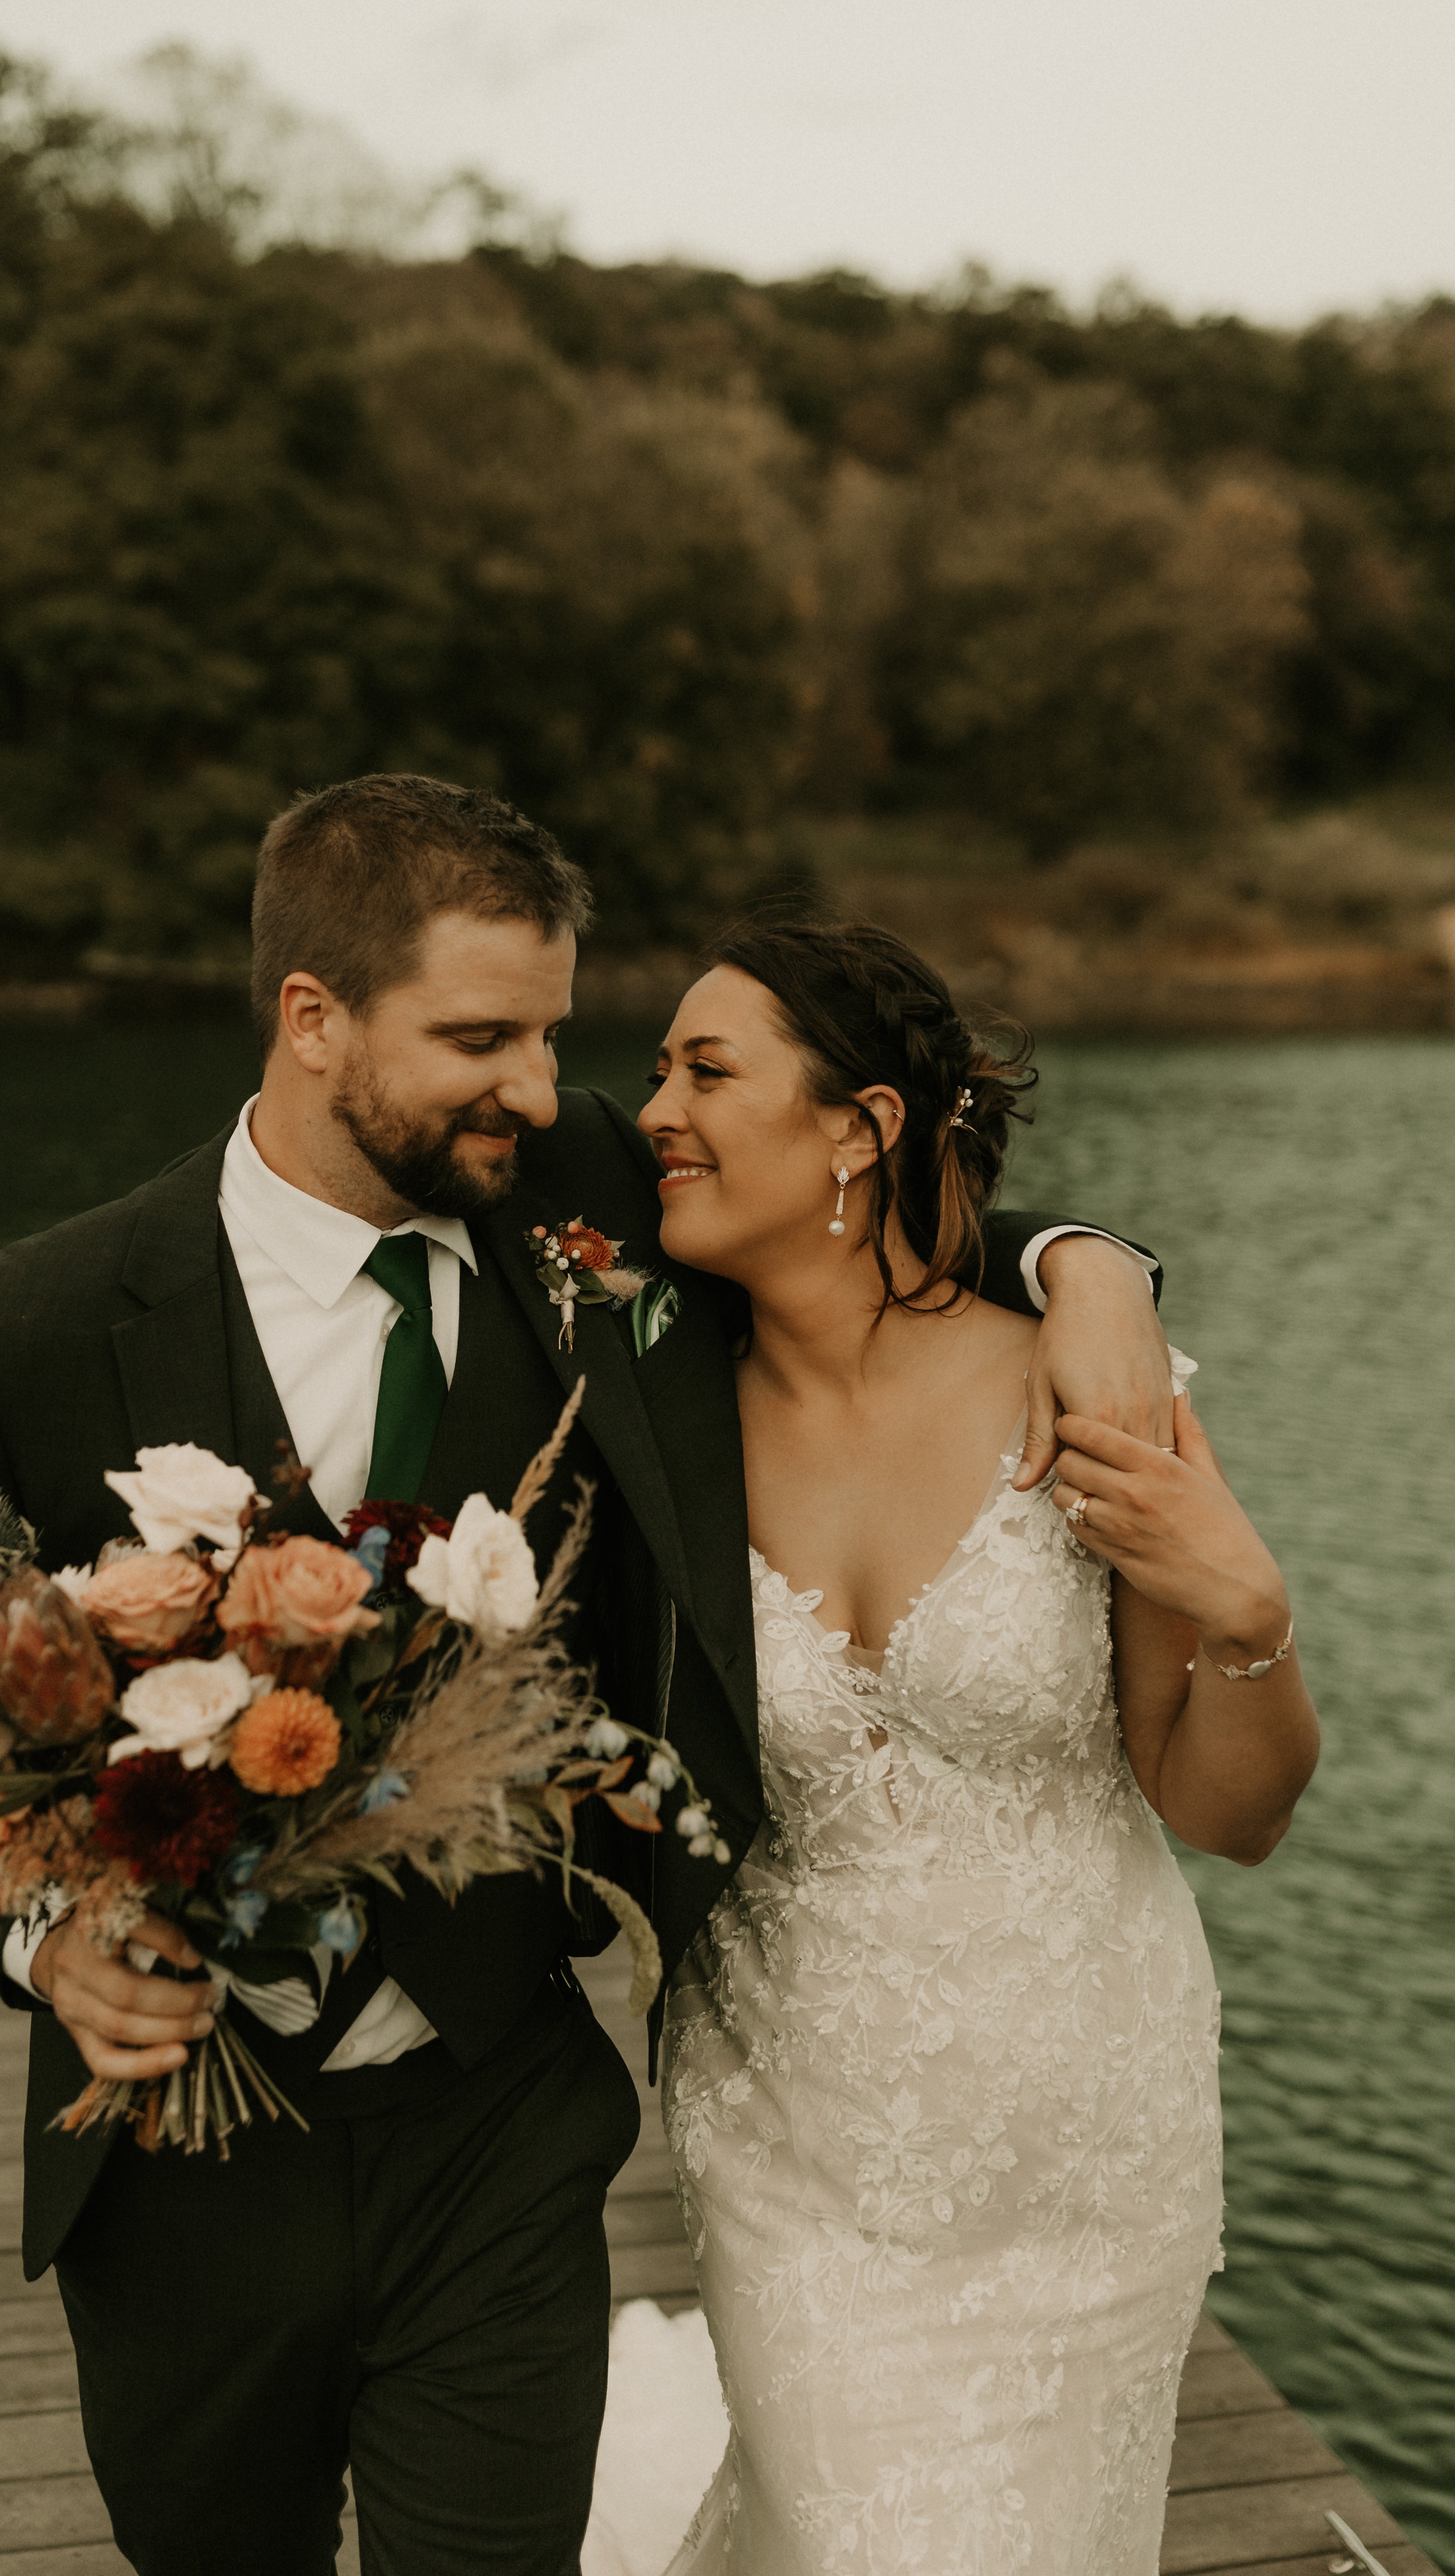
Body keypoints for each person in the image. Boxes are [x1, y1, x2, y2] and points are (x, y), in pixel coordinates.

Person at [0, 777, 1174, 2576]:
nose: (546, 1090)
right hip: (178, 2161)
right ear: (313, 1019)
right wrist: (46, 1940)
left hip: (495, 2116)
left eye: (557, 1031)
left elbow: (865, 1208)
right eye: (480, 1037)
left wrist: (1088, 1263)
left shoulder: (590, 1213)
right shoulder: (37, 1316)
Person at [596, 920, 1320, 2576]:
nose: (654, 1108)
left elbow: (1228, 1808)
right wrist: (1092, 1244)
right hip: (792, 2133)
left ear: (860, 1128)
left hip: (1084, 2139)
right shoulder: (647, 1411)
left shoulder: (1079, 1396)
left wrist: (1248, 1612)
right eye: (655, 1068)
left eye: (707, 1069)